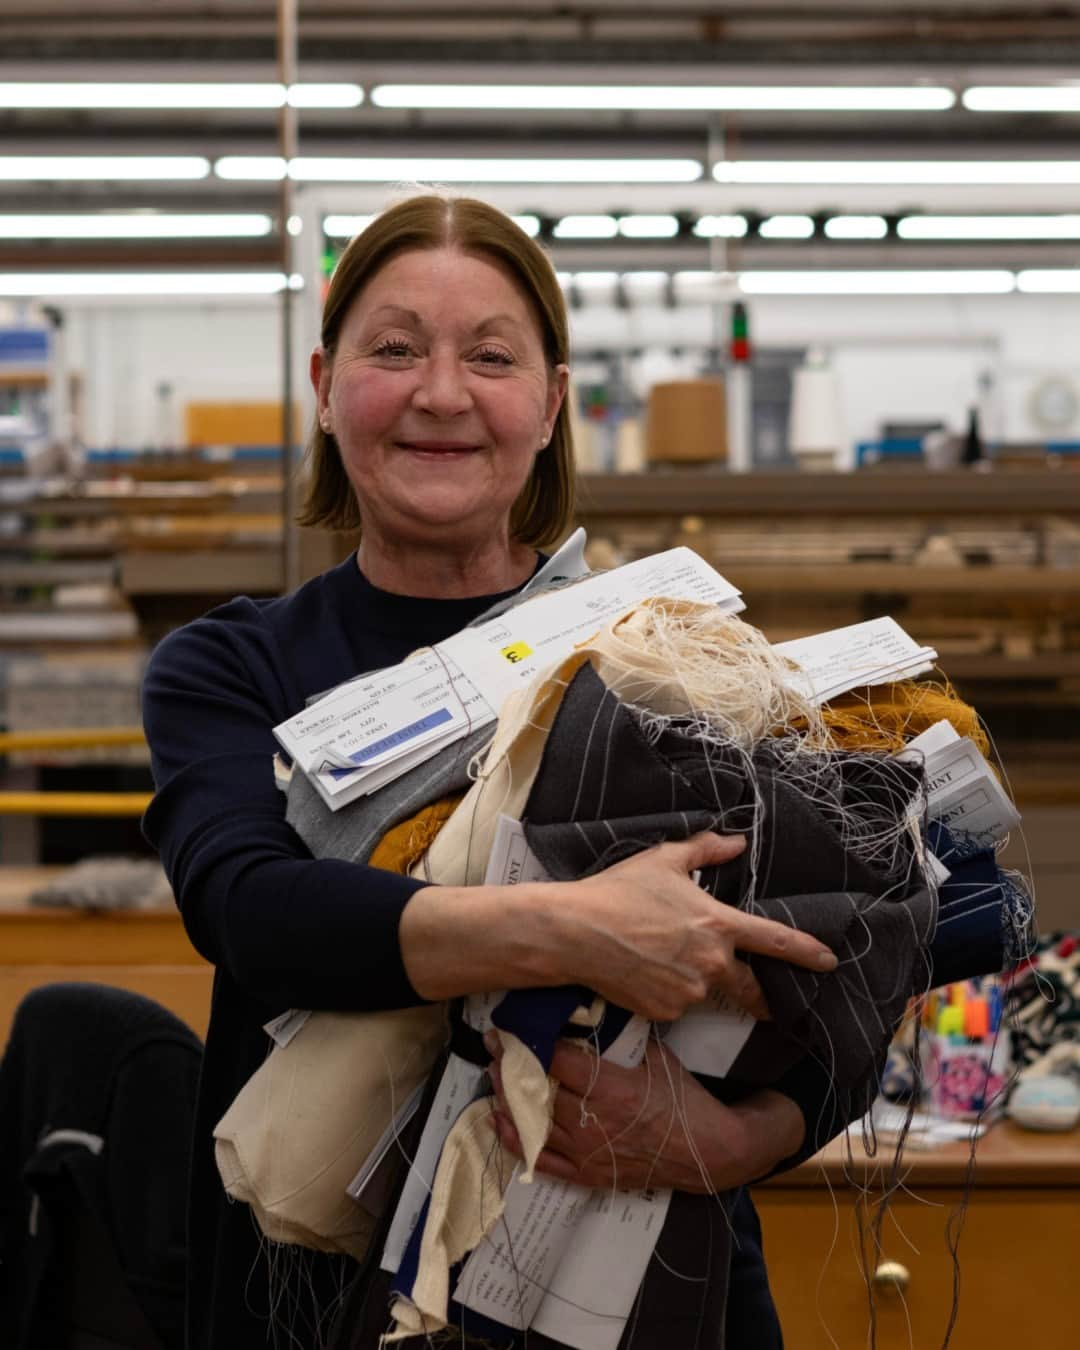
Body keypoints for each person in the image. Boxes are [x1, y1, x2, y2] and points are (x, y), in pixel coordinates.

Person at [142, 193, 844, 1350]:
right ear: (324, 384)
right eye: (395, 349)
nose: (441, 393)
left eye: (490, 357)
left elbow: (870, 940)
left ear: (552, 402)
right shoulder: (234, 668)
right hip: (320, 1298)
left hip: (645, 1276)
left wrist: (751, 1136)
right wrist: (576, 930)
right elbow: (252, 910)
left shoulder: (669, 654)